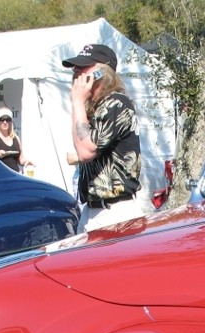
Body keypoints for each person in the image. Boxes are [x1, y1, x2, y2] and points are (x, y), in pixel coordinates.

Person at [63, 43, 142, 231]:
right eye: (76, 68)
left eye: (84, 67)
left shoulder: (116, 104)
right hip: (94, 210)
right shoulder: (95, 108)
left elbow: (85, 151)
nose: (77, 72)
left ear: (102, 73)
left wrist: (77, 101)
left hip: (114, 213)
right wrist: (79, 103)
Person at [0, 106, 26, 172]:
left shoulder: (16, 138)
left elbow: (20, 159)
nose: (5, 122)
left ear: (11, 122)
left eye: (8, 119)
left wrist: (26, 162)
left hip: (16, 177)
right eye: (2, 119)